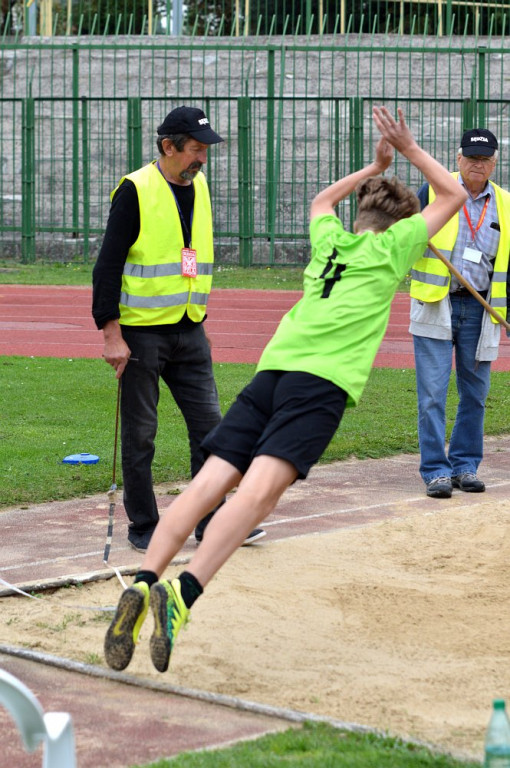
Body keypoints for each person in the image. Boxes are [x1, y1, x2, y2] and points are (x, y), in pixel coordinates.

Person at [103, 106, 468, 674]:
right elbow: (454, 194)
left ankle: (145, 578)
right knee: (255, 498)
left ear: (358, 214)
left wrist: (371, 166)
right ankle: (181, 596)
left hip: (272, 371)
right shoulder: (393, 249)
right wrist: (408, 150)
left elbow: (323, 201)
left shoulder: (329, 238)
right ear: (400, 226)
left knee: (211, 481)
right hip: (319, 385)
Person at [92, 106, 265, 552]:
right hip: (141, 335)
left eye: (205, 150)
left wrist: (199, 322)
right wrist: (111, 334)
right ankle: (144, 526)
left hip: (189, 331)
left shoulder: (199, 185)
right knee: (141, 434)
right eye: (195, 149)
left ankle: (213, 521)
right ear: (168, 147)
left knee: (212, 430)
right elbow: (107, 266)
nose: (202, 158)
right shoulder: (135, 189)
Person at [411, 128, 510, 499]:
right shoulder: (433, 191)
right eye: (471, 157)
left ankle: (465, 465)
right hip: (435, 303)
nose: (477, 164)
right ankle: (436, 471)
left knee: (476, 395)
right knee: (432, 394)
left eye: (484, 159)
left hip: (481, 310)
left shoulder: (505, 203)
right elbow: (406, 234)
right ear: (458, 159)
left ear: (494, 163)